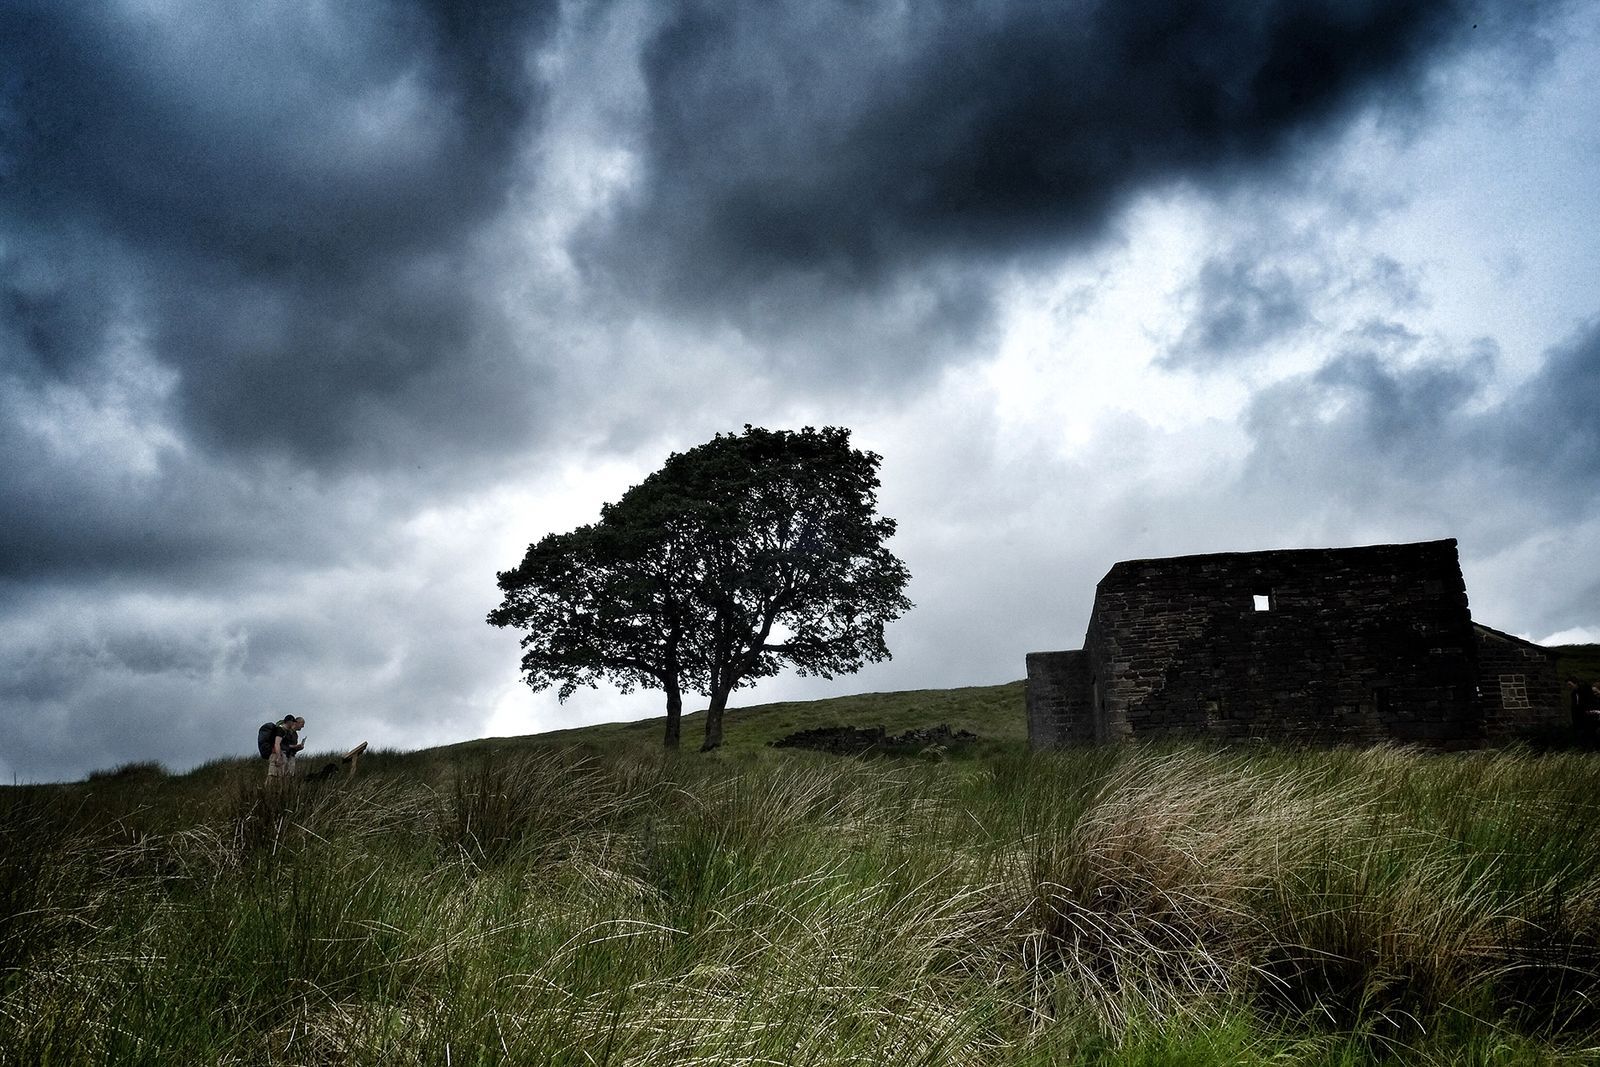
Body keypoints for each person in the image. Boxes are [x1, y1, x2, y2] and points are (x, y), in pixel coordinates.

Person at [264, 715, 306, 780]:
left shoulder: (294, 735)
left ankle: (278, 789)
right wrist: (278, 757)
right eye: (302, 724)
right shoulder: (282, 730)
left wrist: (298, 748)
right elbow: (279, 744)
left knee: (281, 776)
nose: (303, 726)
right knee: (273, 775)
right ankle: (267, 789)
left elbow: (286, 746)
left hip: (286, 755)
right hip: (279, 754)